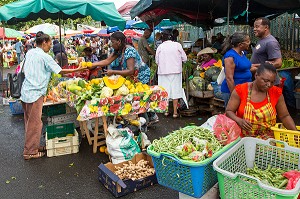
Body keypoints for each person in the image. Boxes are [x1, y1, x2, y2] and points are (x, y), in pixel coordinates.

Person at [20, 31, 84, 160]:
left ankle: (33, 146)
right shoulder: (45, 56)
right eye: (49, 43)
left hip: (26, 91)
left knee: (29, 122)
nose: (50, 46)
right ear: (44, 43)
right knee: (35, 123)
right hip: (35, 92)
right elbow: (60, 71)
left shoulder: (30, 52)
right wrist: (78, 69)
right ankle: (30, 152)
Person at [226, 63, 297, 139]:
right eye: (266, 80)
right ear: (256, 75)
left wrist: (296, 134)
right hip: (244, 139)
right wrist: (239, 120)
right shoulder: (241, 90)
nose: (269, 84)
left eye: (272, 82)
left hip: (268, 140)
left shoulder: (276, 92)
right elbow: (229, 111)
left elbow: (284, 116)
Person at [156, 30, 187, 118]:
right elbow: (185, 58)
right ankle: (175, 112)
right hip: (176, 71)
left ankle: (166, 111)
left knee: (165, 91)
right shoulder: (177, 45)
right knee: (175, 90)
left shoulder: (160, 47)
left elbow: (156, 61)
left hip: (163, 72)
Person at [221, 32, 253, 107]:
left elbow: (247, 67)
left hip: (244, 90)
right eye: (247, 41)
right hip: (232, 91)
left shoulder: (242, 53)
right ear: (240, 45)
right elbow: (229, 78)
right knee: (233, 115)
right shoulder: (230, 56)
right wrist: (234, 95)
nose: (249, 43)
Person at [250, 17, 282, 84]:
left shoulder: (271, 42)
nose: (254, 29)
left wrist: (256, 66)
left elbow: (278, 63)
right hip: (261, 82)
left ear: (266, 27)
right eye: (254, 27)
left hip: (268, 84)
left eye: (257, 27)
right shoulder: (262, 40)